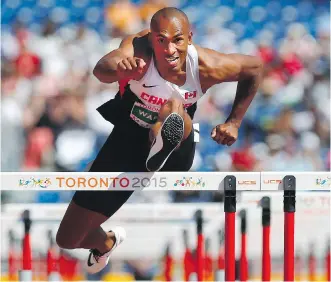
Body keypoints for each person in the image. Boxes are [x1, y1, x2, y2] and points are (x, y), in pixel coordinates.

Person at [56, 7, 263, 274]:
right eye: (161, 40)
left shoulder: (206, 66)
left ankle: (162, 142)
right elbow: (101, 70)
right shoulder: (138, 48)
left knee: (174, 107)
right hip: (128, 140)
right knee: (68, 238)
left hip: (178, 148)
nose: (169, 50)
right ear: (152, 38)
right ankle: (106, 242)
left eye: (177, 40)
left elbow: (255, 68)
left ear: (190, 38)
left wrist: (234, 121)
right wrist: (121, 68)